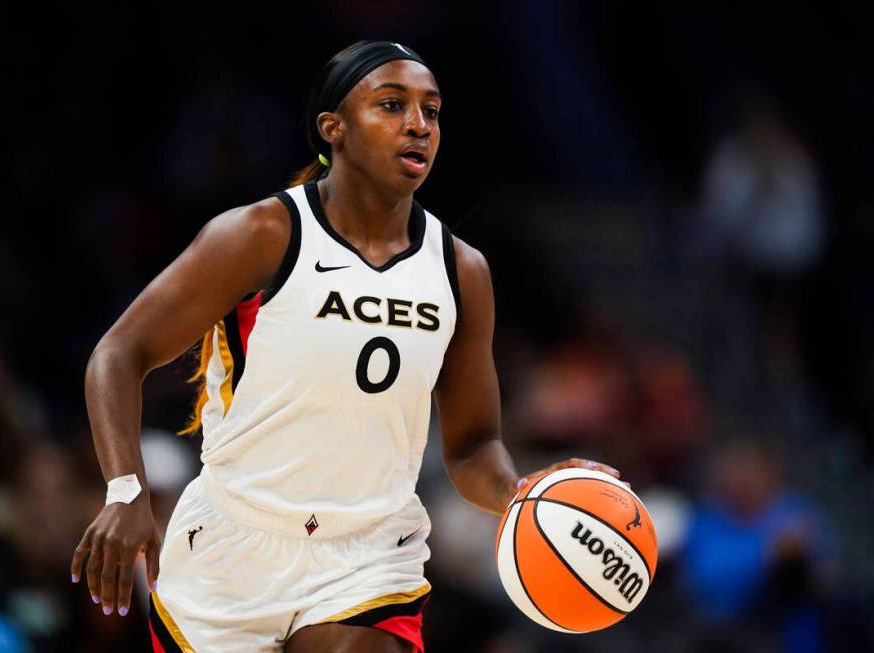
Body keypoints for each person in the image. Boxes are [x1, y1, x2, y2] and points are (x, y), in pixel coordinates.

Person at [69, 39, 619, 652]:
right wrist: (126, 491)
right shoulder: (260, 235)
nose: (418, 125)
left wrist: (522, 495)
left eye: (431, 111)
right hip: (230, 546)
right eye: (391, 105)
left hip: (368, 551)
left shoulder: (461, 271)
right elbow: (118, 355)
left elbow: (472, 445)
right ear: (333, 129)